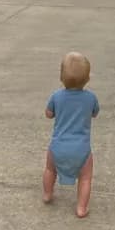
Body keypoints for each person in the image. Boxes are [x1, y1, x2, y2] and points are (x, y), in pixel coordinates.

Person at [42, 51, 100, 218]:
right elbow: (95, 114)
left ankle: (47, 194)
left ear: (61, 77)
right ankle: (81, 208)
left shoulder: (56, 96)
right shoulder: (91, 98)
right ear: (87, 79)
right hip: (81, 149)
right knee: (85, 178)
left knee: (49, 170)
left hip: (57, 146)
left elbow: (48, 114)